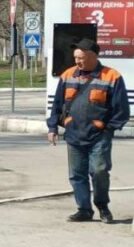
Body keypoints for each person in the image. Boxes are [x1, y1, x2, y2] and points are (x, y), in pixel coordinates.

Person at [46, 38, 128, 223]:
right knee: (76, 174)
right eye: (75, 57)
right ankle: (84, 209)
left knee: (99, 171)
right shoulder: (68, 75)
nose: (77, 61)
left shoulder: (111, 76)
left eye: (81, 57)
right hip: (74, 135)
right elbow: (57, 105)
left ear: (92, 56)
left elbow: (122, 110)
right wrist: (53, 127)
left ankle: (102, 206)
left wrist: (107, 129)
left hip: (99, 137)